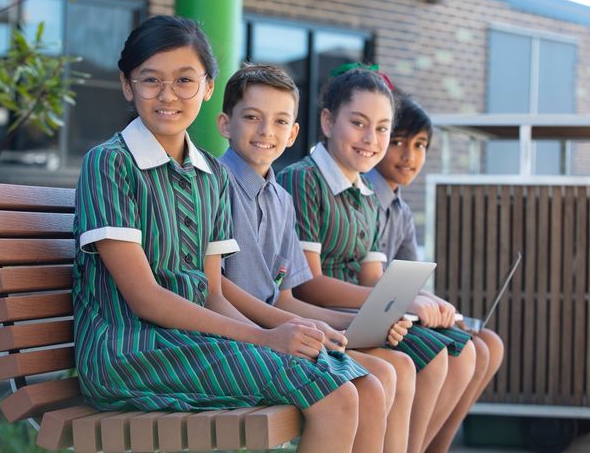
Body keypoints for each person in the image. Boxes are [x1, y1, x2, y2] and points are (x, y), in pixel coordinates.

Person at [72, 15, 374, 453]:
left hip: (192, 342)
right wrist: (266, 338)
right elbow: (144, 297)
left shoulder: (210, 174)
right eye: (150, 79)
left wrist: (289, 330)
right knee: (337, 395)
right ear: (127, 85)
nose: (168, 95)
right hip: (130, 351)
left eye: (184, 80)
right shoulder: (110, 163)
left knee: (355, 382)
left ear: (209, 87)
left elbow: (212, 291)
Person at [277, 67, 476, 453]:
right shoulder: (303, 181)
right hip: (319, 318)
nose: (371, 139)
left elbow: (372, 278)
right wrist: (400, 301)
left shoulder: (366, 190)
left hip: (361, 320)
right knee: (422, 361)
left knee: (455, 348)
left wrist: (408, 301)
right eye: (359, 123)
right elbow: (308, 284)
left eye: (383, 128)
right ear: (328, 121)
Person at [216, 63, 413, 453]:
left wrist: (356, 322)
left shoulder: (280, 199)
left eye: (279, 122)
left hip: (277, 328)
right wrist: (298, 329)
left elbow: (286, 298)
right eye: (252, 117)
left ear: (292, 133)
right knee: (357, 390)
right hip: (236, 337)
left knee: (379, 380)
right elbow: (215, 289)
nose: (265, 132)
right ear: (225, 124)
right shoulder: (213, 185)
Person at [365, 91, 505, 453]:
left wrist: (439, 308)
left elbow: (410, 278)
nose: (409, 156)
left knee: (488, 344)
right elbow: (375, 281)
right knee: (459, 354)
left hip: (395, 309)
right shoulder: (362, 197)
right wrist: (417, 302)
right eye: (397, 142)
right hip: (366, 312)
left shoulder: (402, 211)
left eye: (420, 145)